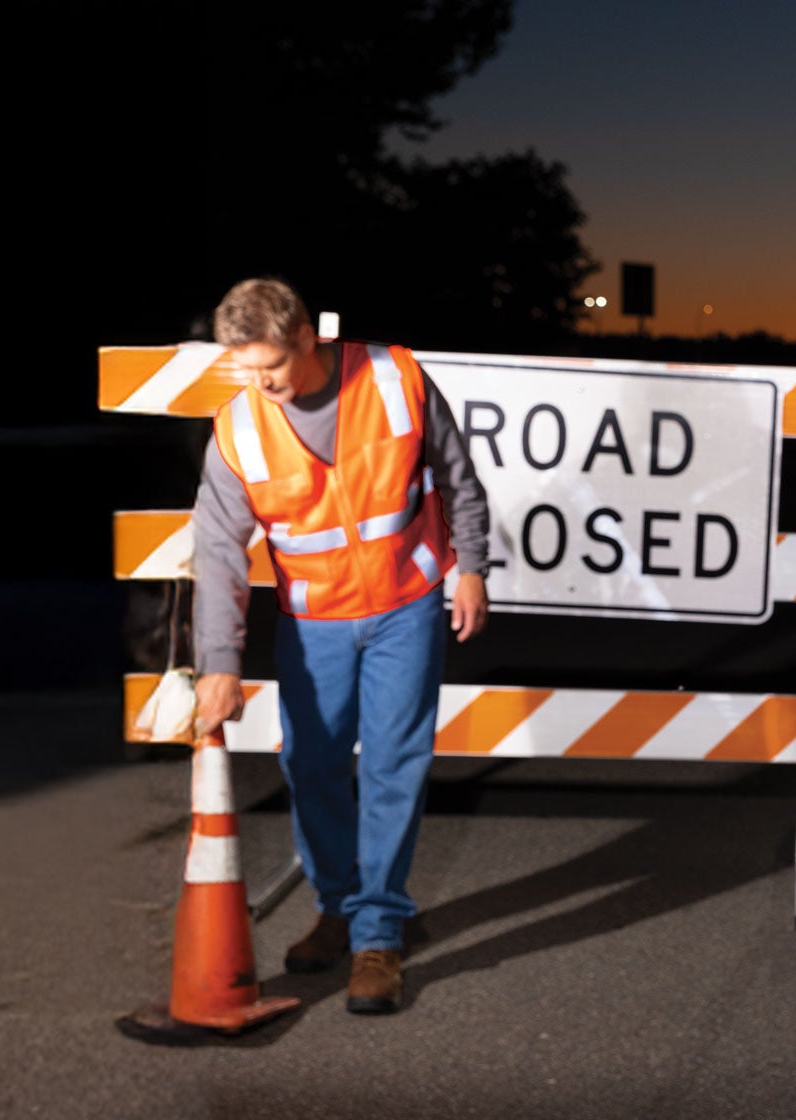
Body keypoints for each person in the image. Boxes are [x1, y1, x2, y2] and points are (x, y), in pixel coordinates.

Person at [183, 277, 494, 1015]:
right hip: (313, 621)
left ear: (307, 339)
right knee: (312, 765)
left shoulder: (397, 377)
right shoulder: (238, 428)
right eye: (248, 373)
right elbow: (220, 554)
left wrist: (472, 568)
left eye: (274, 369)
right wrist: (220, 666)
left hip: (404, 607)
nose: (263, 386)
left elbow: (458, 478)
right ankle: (336, 905)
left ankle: (378, 935)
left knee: (393, 765)